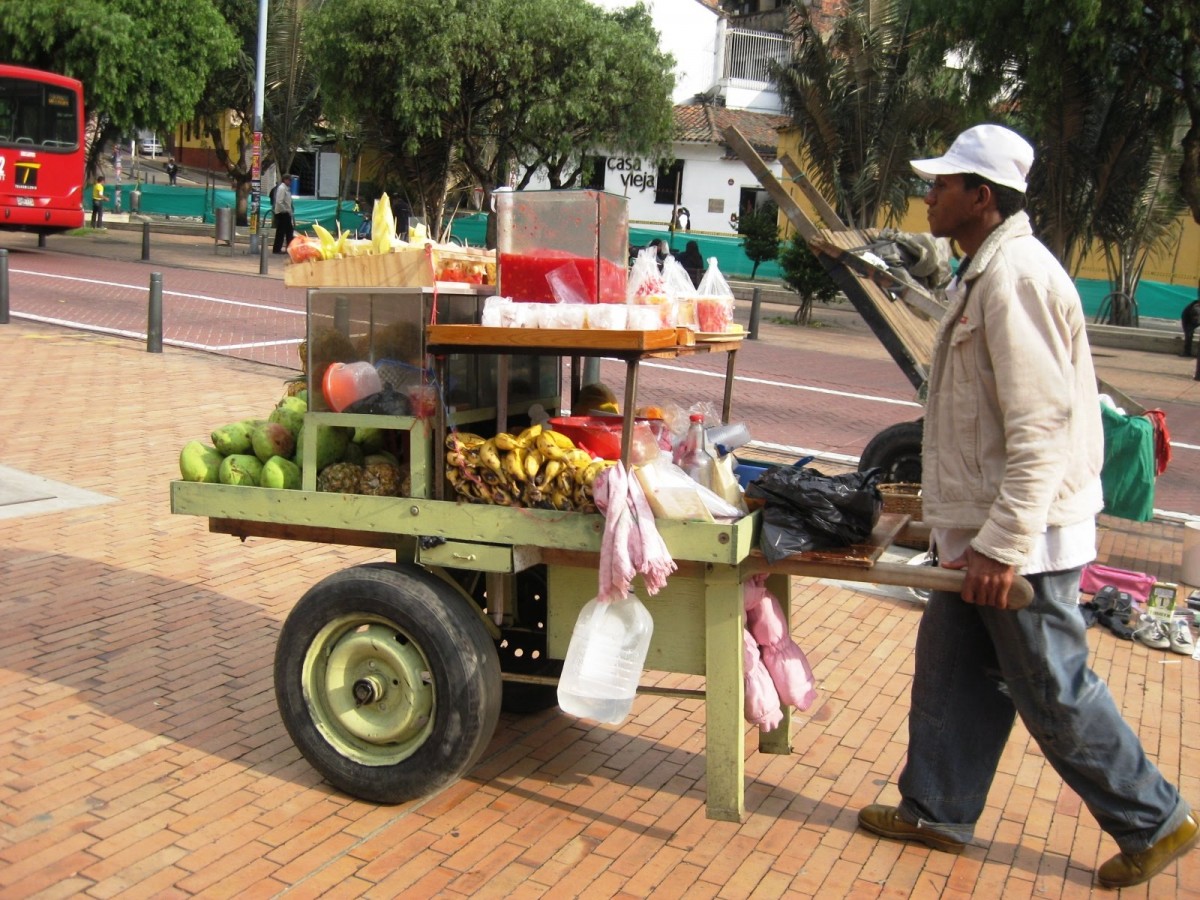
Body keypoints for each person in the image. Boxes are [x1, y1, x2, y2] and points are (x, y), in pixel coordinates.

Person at [856, 124, 1196, 889]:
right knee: (951, 668)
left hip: (1023, 538)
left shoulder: (1014, 280)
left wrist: (1004, 544)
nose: (928, 195)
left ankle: (1154, 819)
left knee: (1050, 685)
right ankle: (936, 806)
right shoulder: (987, 268)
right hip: (981, 528)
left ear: (982, 197)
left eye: (942, 185)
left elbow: (1041, 425)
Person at [271, 176, 294, 255]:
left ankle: (289, 248)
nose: (290, 182)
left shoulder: (287, 189)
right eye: (289, 180)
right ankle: (277, 249)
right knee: (281, 231)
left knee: (289, 231)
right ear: (285, 180)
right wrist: (285, 210)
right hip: (282, 213)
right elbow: (279, 201)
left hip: (286, 212)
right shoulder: (282, 188)